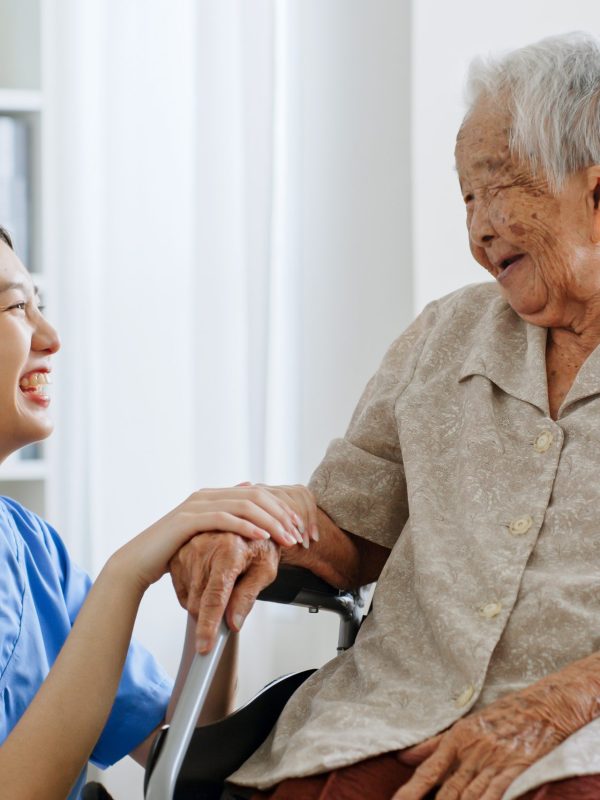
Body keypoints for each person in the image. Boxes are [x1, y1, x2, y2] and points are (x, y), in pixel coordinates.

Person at [167, 32, 600, 800]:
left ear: (595, 193)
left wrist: (564, 700)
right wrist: (259, 528)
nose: (478, 231)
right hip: (390, 718)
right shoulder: (445, 337)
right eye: (465, 199)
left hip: (574, 740)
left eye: (496, 189)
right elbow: (349, 526)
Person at [0, 225, 308, 799]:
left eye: (41, 306)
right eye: (18, 306)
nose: (50, 336)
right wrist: (128, 574)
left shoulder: (31, 547)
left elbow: (184, 751)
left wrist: (216, 583)